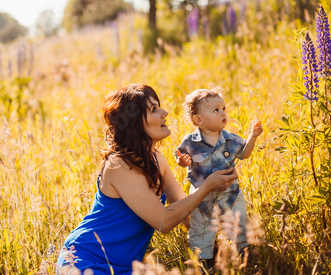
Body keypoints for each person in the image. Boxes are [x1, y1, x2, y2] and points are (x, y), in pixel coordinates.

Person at [56, 84, 239, 275]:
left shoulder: (157, 159)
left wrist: (220, 249)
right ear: (134, 123)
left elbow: (185, 214)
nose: (165, 113)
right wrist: (207, 186)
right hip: (86, 262)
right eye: (154, 109)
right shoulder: (119, 166)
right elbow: (164, 222)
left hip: (125, 268)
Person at [175, 87, 263, 263]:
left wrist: (253, 137)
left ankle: (245, 258)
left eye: (223, 109)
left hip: (230, 195)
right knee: (201, 232)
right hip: (203, 199)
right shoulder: (190, 142)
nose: (223, 113)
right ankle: (203, 262)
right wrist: (182, 162)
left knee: (240, 227)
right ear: (198, 120)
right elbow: (179, 156)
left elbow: (244, 154)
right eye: (216, 110)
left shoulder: (230, 138)